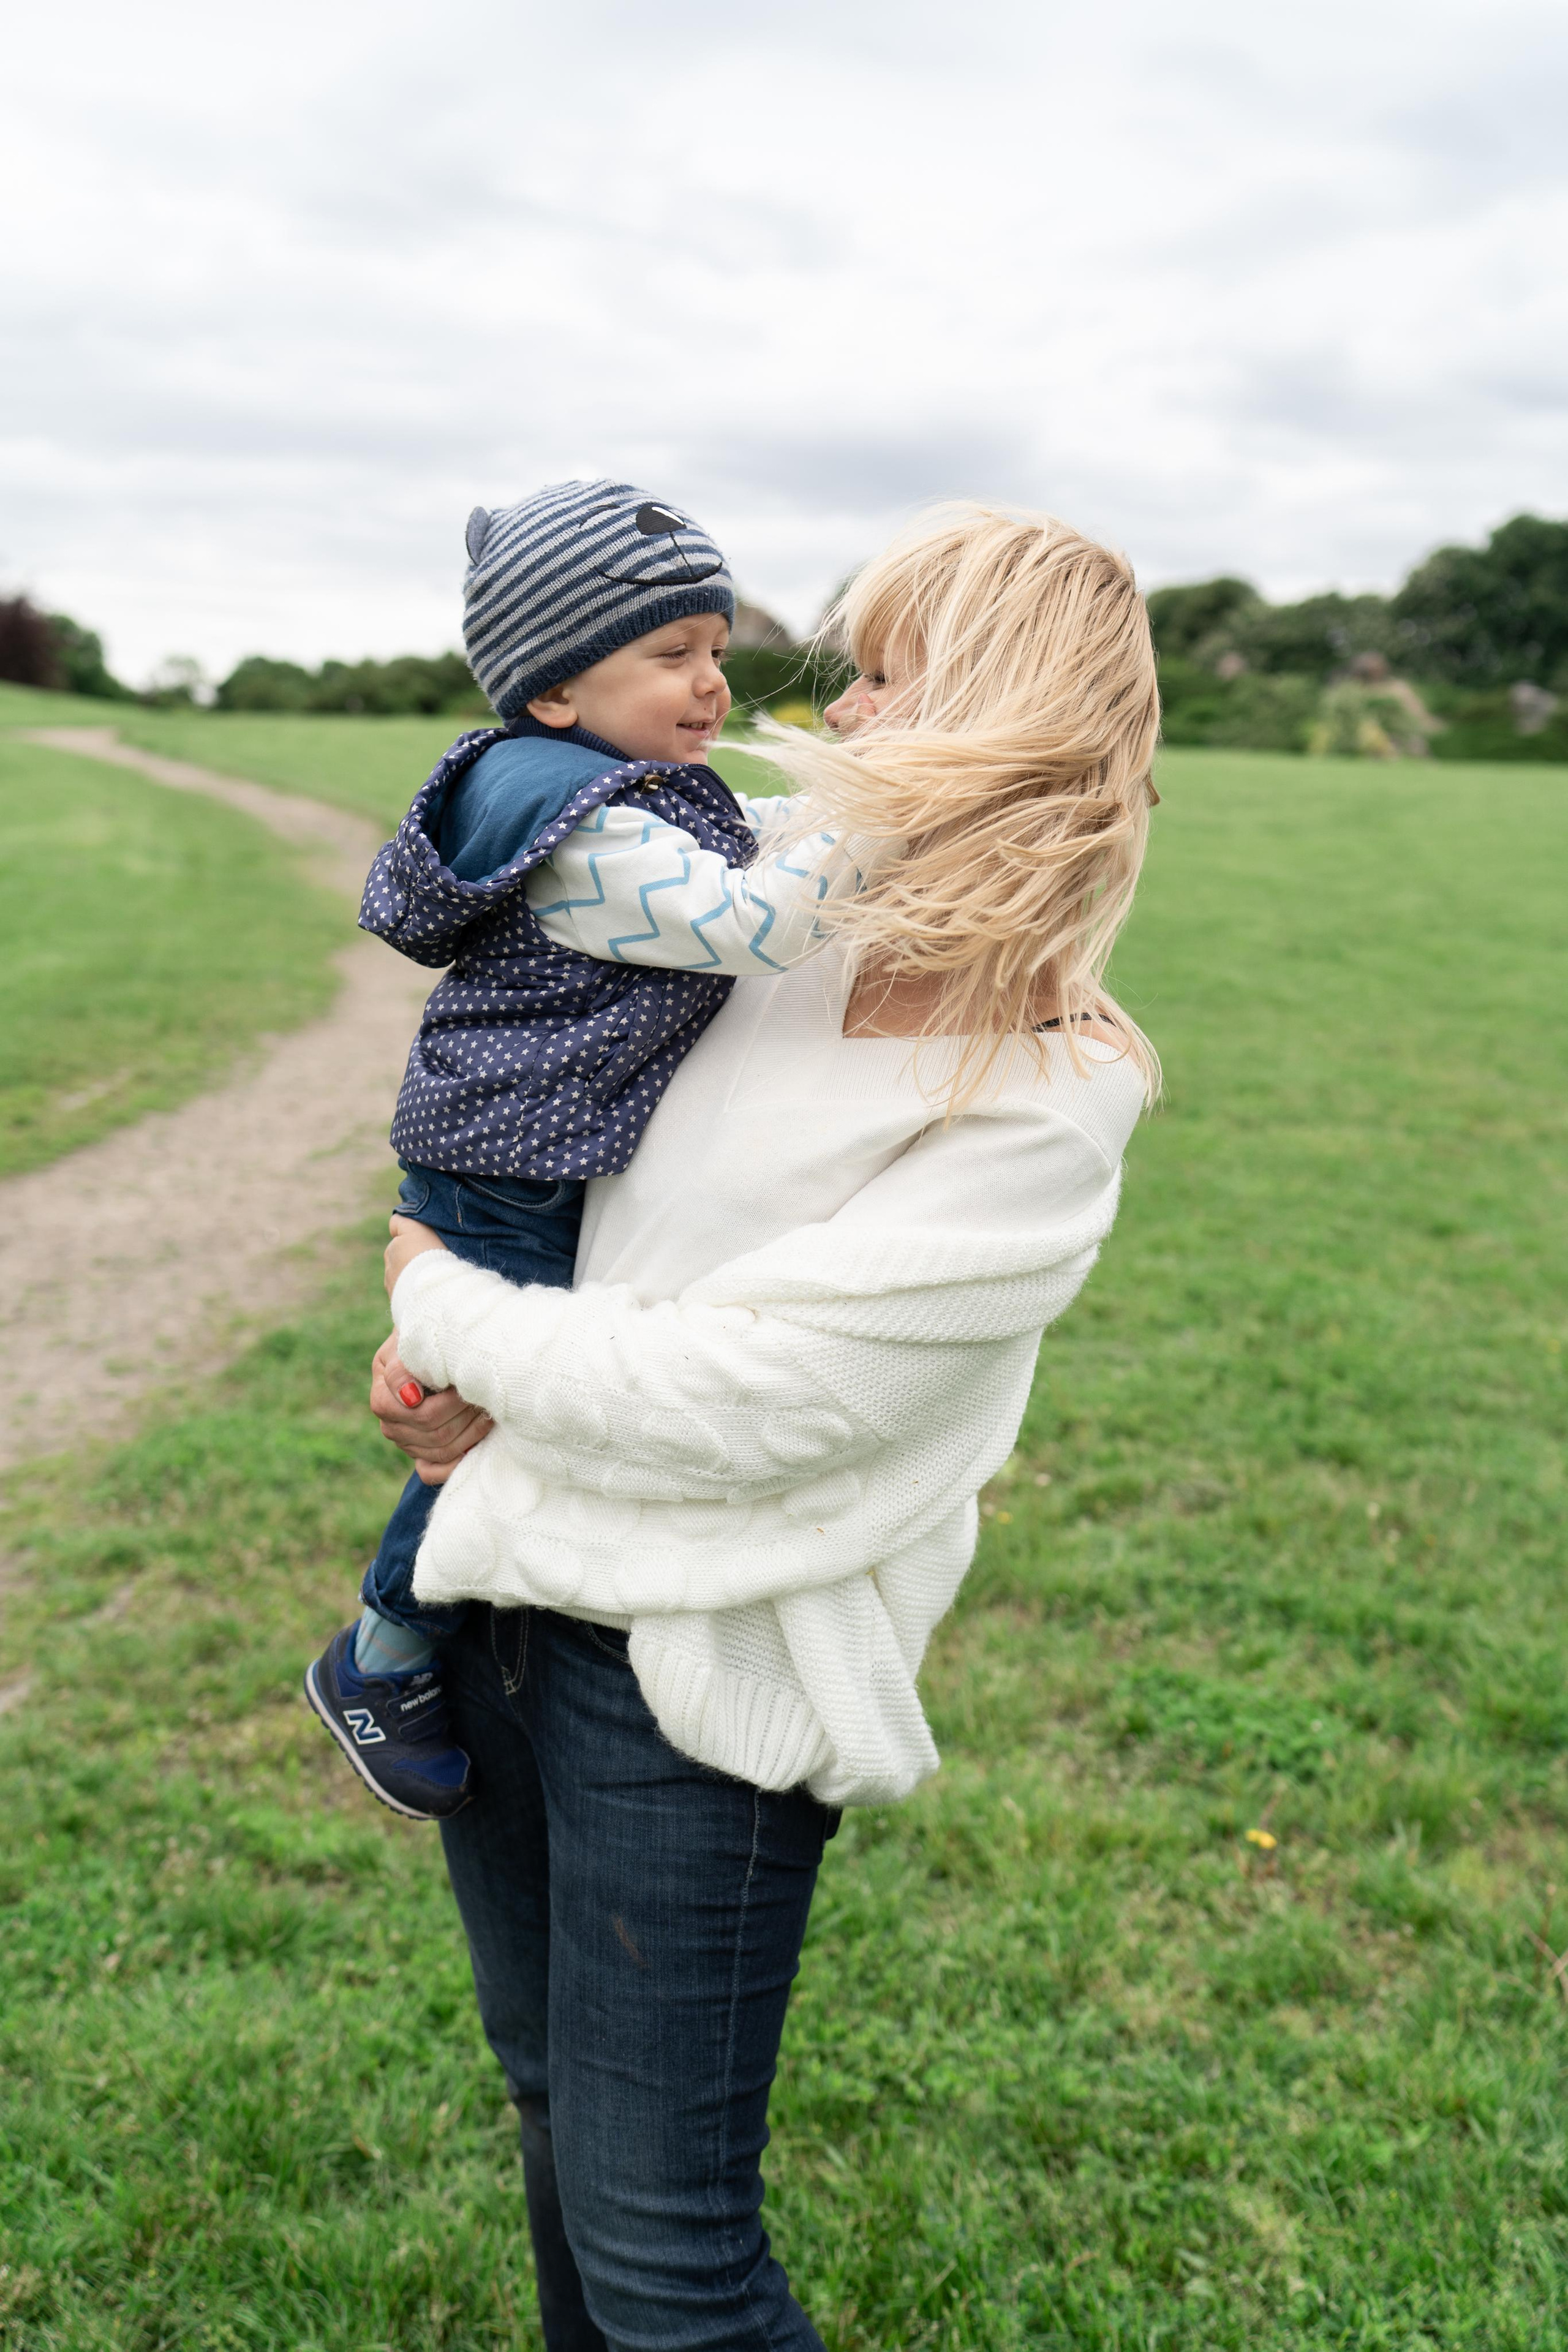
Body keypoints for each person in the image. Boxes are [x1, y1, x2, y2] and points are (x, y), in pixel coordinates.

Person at [368, 502, 1161, 2350]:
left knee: (672, 2270)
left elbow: (755, 1406)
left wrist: (445, 1311)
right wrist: (436, 1366)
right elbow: (512, 1128)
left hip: (699, 1683)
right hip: (500, 1591)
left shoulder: (1051, 1088)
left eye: (890, 675)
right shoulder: (763, 915)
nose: (836, 713)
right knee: (554, 2121)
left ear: (1002, 719)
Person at [305, 478, 878, 1820]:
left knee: (491, 1387)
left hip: (520, 1144)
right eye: (670, 657)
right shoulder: (594, 830)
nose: (709, 685)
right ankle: (383, 1648)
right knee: (491, 1409)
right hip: (506, 1158)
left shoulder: (620, 787)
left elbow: (750, 843)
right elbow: (753, 925)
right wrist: (886, 802)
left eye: (719, 653)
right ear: (554, 694)